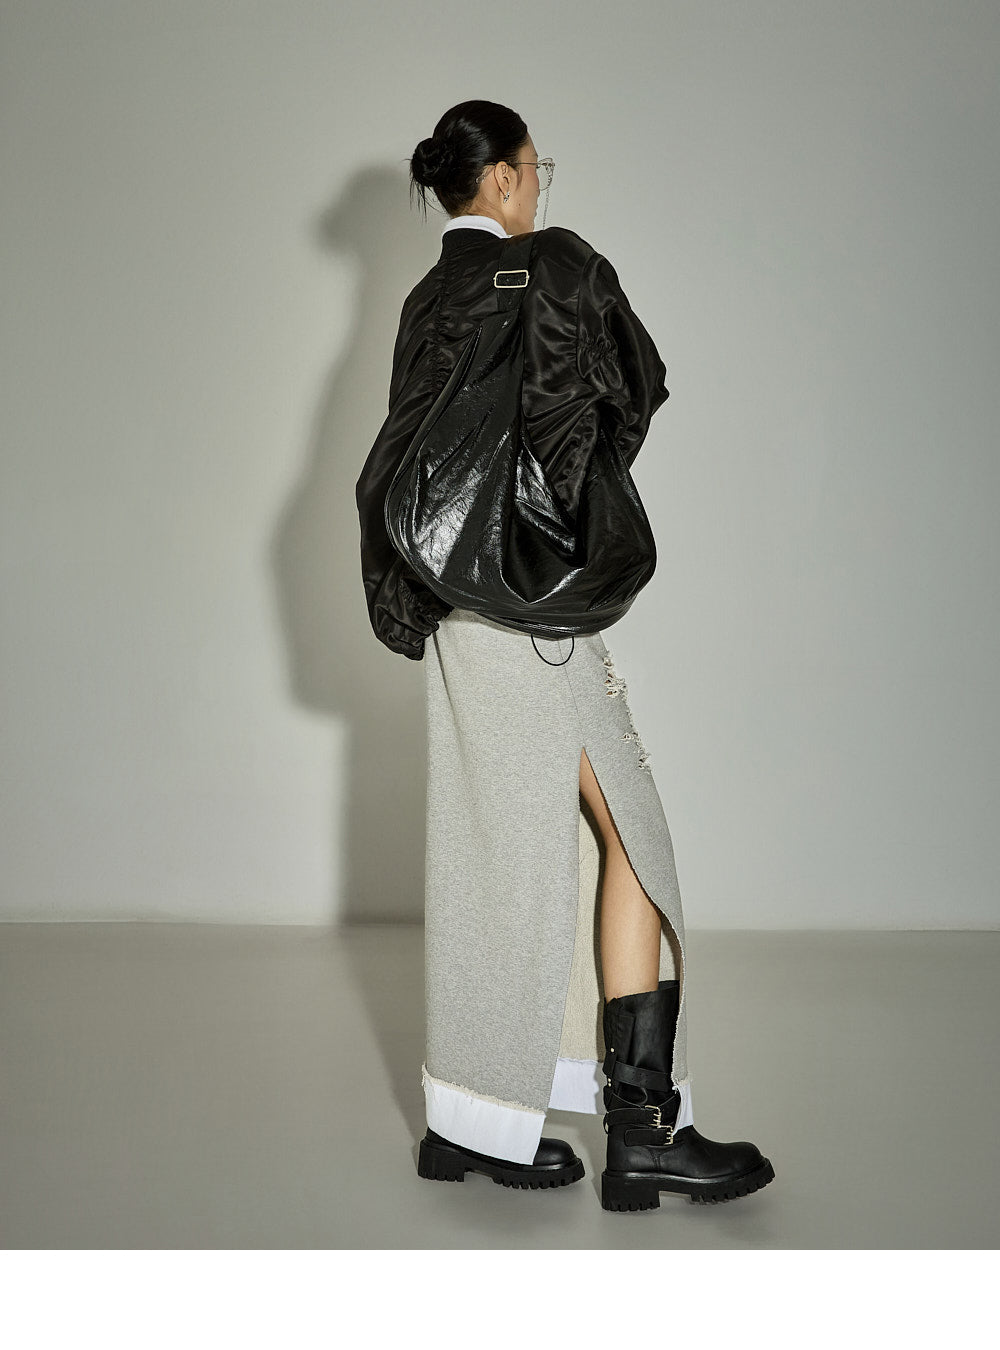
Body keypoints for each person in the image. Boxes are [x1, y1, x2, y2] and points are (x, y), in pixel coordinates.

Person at [355, 100, 775, 1212]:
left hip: (457, 608)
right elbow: (630, 390)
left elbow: (402, 459)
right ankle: (643, 1135)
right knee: (631, 843)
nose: (539, 186)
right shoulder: (559, 266)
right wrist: (573, 515)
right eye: (535, 168)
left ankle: (471, 1124)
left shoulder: (424, 297)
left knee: (493, 859)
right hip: (536, 615)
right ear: (499, 179)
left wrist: (418, 597)